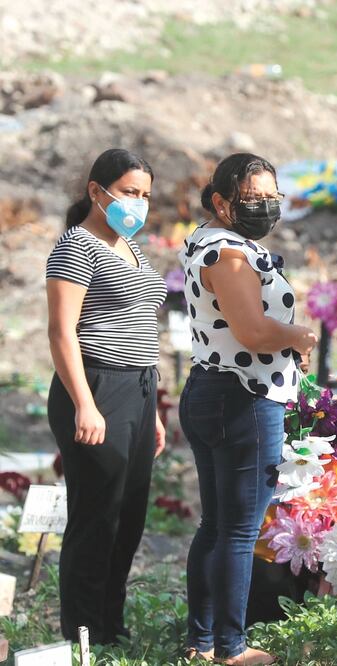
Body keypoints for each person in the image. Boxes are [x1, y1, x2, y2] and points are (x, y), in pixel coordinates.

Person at [179, 153, 317, 665]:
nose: (264, 207)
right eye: (252, 198)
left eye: (271, 197)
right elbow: (253, 331)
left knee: (214, 527)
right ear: (221, 201)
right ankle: (230, 648)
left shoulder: (207, 242)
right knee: (236, 532)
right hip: (243, 396)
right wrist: (300, 335)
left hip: (213, 390)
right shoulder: (229, 255)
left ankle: (201, 639)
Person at [46, 148, 167, 645]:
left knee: (129, 516)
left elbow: (140, 330)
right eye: (129, 192)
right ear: (97, 191)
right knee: (97, 515)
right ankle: (83, 632)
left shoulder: (130, 247)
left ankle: (110, 628)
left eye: (145, 195)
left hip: (138, 390)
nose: (137, 203)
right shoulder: (76, 247)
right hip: (95, 385)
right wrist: (85, 403)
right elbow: (61, 332)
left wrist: (154, 411)